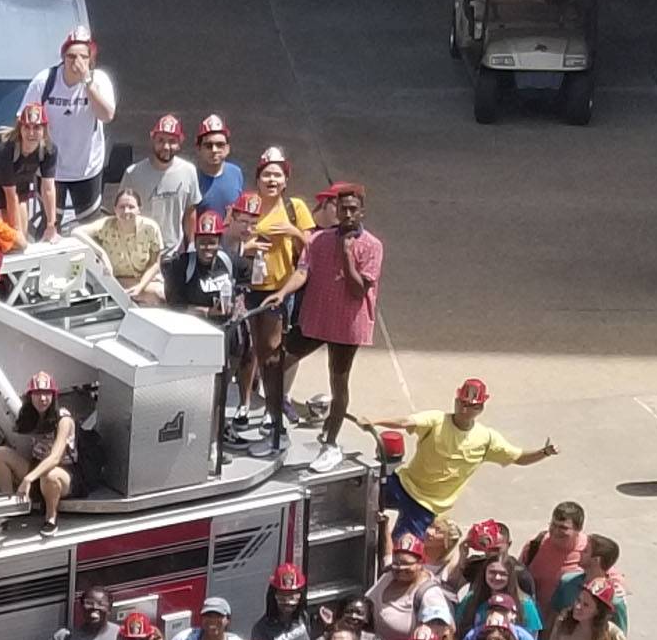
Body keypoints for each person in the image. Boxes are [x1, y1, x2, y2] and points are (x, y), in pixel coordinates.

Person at [370, 379, 559, 550]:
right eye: (462, 403)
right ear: (456, 400)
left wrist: (544, 452)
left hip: (427, 505)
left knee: (404, 550)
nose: (465, 409)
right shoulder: (437, 420)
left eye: (472, 406)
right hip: (403, 484)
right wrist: (374, 422)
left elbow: (518, 457)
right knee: (359, 495)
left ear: (481, 409)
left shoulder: (487, 439)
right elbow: (406, 421)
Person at [272, 183, 384, 472]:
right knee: (278, 360)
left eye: (352, 209)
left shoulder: (372, 246)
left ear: (362, 212)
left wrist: (347, 254)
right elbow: (302, 271)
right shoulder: (319, 240)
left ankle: (330, 443)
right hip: (316, 318)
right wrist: (283, 293)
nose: (346, 214)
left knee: (339, 383)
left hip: (347, 325)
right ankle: (275, 428)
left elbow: (359, 290)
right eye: (342, 208)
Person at [237, 149, 315, 449]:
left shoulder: (295, 208)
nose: (271, 179)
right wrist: (248, 245)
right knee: (246, 351)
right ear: (257, 179)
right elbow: (231, 238)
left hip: (279, 289)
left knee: (271, 353)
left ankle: (272, 412)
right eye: (266, 174)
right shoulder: (247, 203)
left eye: (277, 175)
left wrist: (293, 230)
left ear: (285, 180)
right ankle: (244, 404)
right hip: (248, 286)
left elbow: (313, 246)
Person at [25, 26, 117, 216]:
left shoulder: (99, 81)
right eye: (72, 56)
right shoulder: (44, 81)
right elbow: (23, 120)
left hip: (87, 168)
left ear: (91, 59)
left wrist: (87, 83)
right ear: (63, 58)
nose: (77, 62)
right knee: (50, 224)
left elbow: (107, 115)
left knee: (89, 225)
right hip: (50, 169)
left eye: (84, 57)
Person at [0, 372, 83, 535]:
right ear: (30, 396)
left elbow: (55, 458)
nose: (42, 399)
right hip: (37, 468)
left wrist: (28, 478)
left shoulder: (63, 419)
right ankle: (9, 508)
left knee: (50, 474)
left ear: (53, 396)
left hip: (64, 472)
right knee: (0, 454)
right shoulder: (30, 416)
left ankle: (51, 518)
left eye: (47, 393)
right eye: (37, 393)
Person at [0, 103, 60, 241]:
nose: (31, 133)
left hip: (20, 189)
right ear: (20, 128)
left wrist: (51, 225)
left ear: (44, 129)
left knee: (24, 236)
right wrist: (16, 231)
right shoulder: (5, 150)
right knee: (3, 237)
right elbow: (9, 194)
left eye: (37, 128)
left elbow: (48, 188)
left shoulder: (48, 150)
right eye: (27, 127)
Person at [121, 114, 199, 254]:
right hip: (141, 252)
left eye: (172, 141)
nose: (166, 146)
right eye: (160, 140)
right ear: (152, 140)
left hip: (175, 252)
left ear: (180, 142)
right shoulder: (133, 173)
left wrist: (192, 244)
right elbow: (122, 212)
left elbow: (190, 211)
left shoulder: (189, 171)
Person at [366, 538, 454, 640]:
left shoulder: (429, 594)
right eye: (396, 562)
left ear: (420, 563)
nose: (400, 568)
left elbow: (440, 634)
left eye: (407, 563)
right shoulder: (389, 576)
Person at [76, 188, 167, 303]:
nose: (126, 211)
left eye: (131, 207)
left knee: (160, 296)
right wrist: (102, 254)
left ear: (139, 209)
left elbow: (155, 263)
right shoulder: (105, 225)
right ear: (115, 209)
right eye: (122, 207)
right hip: (116, 281)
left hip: (146, 280)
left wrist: (140, 287)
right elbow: (76, 232)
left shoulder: (151, 228)